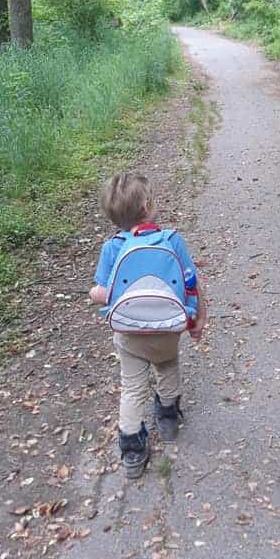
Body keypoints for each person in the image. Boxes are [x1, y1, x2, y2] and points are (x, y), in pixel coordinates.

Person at [89, 172, 207, 478]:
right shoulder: (172, 240)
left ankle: (132, 449)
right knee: (167, 367)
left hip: (129, 333)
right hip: (168, 329)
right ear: (147, 208)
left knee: (132, 388)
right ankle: (167, 416)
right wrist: (196, 320)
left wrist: (96, 293)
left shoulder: (112, 248)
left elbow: (103, 294)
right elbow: (191, 282)